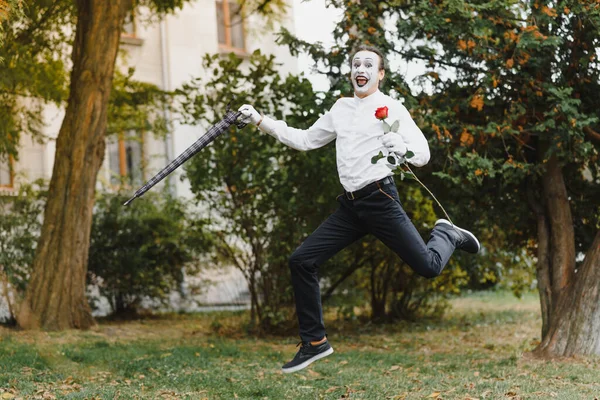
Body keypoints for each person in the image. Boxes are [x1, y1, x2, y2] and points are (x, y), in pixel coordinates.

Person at [238, 45, 480, 374]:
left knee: (428, 266)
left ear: (380, 74)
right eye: (355, 64)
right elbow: (306, 140)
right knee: (301, 260)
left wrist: (403, 148)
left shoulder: (391, 107)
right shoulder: (340, 108)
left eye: (368, 64)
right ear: (351, 72)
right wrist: (260, 121)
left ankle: (446, 233)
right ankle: (315, 343)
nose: (360, 68)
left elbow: (422, 153)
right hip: (351, 207)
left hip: (380, 198)